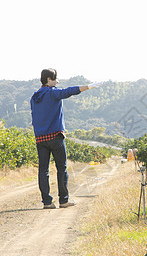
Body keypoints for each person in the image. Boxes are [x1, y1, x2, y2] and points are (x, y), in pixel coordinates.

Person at [30, 68, 101, 209]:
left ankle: (47, 202)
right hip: (55, 136)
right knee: (61, 168)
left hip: (40, 139)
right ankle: (64, 200)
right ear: (49, 80)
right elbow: (69, 91)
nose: (57, 81)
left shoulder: (34, 97)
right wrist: (88, 86)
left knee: (43, 170)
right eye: (55, 79)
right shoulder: (53, 93)